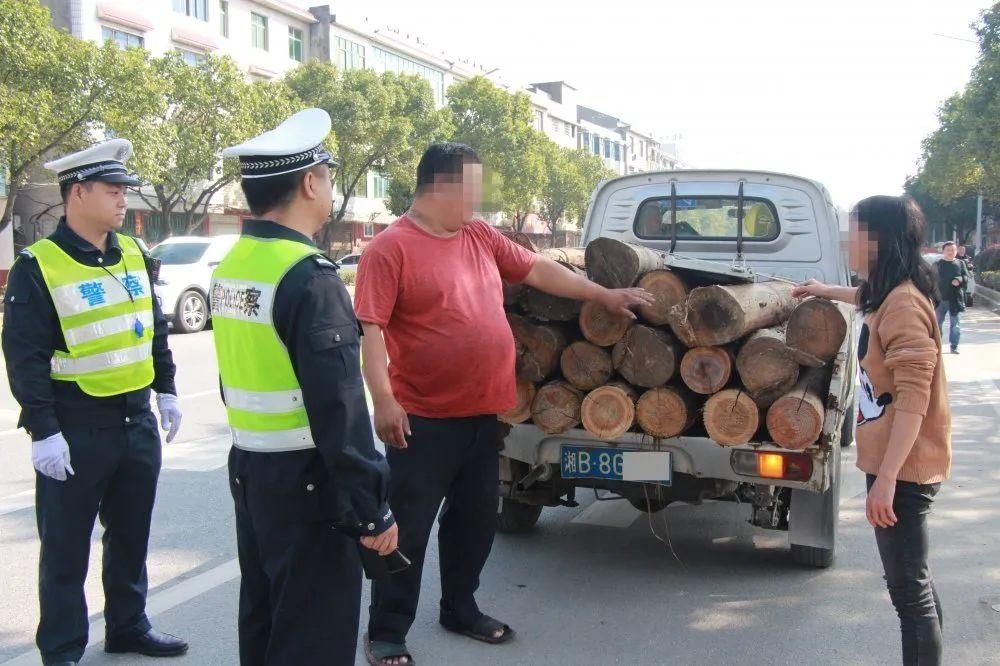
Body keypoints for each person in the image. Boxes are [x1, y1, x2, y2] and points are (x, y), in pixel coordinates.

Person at [355, 142, 654, 666]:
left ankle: (460, 608)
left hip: (484, 413)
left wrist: (603, 296)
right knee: (410, 526)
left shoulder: (477, 235)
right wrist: (383, 400)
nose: (481, 199)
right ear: (441, 185)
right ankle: (387, 630)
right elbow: (372, 331)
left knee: (474, 521)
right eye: (473, 186)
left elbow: (538, 270)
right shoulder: (390, 248)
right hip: (423, 418)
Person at [212, 108, 397, 666]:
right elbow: (339, 408)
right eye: (329, 174)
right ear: (310, 182)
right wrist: (373, 509)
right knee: (314, 634)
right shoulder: (309, 276)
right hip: (307, 482)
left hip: (252, 469)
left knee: (266, 623)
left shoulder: (234, 264)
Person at [2, 139, 187, 665]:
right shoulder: (38, 266)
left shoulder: (132, 252)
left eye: (124, 190)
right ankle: (61, 648)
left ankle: (129, 625)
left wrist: (167, 389)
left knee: (131, 535)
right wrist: (44, 430)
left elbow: (153, 328)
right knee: (65, 549)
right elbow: (25, 356)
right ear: (76, 193)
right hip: (76, 426)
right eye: (113, 191)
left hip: (134, 420)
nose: (123, 200)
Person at [794, 195, 951, 666]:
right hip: (896, 464)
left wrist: (886, 479)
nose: (847, 241)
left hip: (903, 469)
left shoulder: (902, 303)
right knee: (914, 581)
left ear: (877, 240)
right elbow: (865, 299)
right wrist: (822, 289)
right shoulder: (889, 293)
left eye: (853, 232)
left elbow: (913, 400)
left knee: (909, 594)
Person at [933, 241, 968, 354]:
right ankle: (937, 346)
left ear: (956, 251)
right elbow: (930, 280)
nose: (950, 252)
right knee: (938, 324)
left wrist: (959, 280)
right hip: (940, 299)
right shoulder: (937, 264)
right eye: (948, 250)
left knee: (955, 325)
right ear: (943, 251)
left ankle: (954, 346)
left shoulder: (961, 263)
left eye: (953, 250)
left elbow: (966, 277)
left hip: (955, 299)